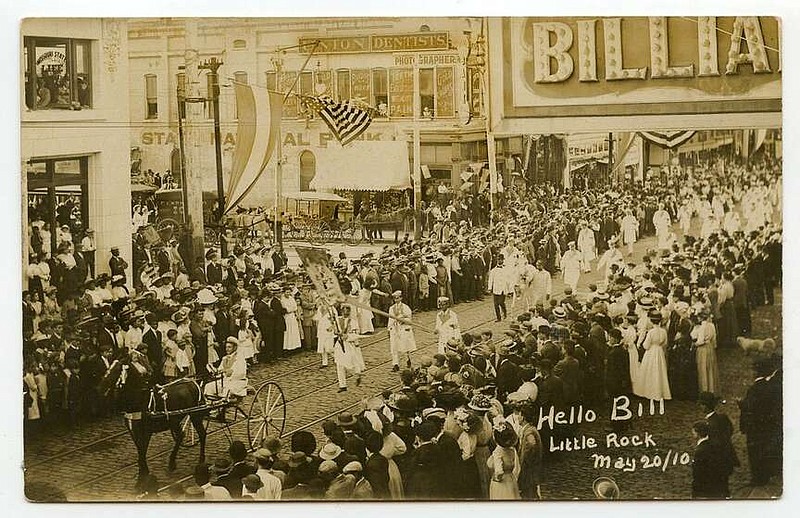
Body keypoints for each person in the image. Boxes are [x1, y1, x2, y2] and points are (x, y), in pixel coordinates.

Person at [634, 311, 671, 401]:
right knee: (659, 370)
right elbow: (665, 343)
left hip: (651, 351)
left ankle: (649, 391)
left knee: (650, 370)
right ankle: (660, 391)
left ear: (651, 321)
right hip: (659, 351)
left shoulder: (651, 332)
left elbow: (646, 345)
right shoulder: (663, 331)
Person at [691, 420, 732, 498]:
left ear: (697, 433)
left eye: (693, 431)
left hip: (706, 489)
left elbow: (697, 473)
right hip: (718, 486)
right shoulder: (715, 445)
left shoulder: (700, 450)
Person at [333, 305, 364, 393]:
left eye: (347, 311)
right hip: (340, 344)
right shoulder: (338, 321)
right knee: (339, 364)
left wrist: (349, 337)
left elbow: (355, 333)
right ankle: (342, 385)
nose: (345, 313)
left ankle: (357, 374)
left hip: (349, 345)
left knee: (350, 362)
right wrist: (337, 332)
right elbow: (335, 331)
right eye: (344, 311)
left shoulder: (353, 321)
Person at [487, 417, 520, 500]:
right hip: (511, 479)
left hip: (501, 483)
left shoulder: (497, 452)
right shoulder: (512, 450)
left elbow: (499, 471)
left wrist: (496, 478)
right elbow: (518, 468)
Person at [388, 290, 416, 372]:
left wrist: (403, 320)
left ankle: (407, 359)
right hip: (395, 330)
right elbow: (390, 319)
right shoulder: (391, 308)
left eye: (398, 298)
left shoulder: (406, 307)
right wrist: (389, 329)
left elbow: (409, 318)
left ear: (401, 298)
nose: (396, 300)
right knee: (394, 347)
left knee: (404, 346)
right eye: (395, 298)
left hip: (403, 329)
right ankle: (395, 364)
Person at [487, 256, 512, 322]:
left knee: (501, 302)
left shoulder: (506, 269)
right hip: (496, 289)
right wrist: (489, 288)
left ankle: (504, 312)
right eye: (498, 260)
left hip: (503, 289)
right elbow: (490, 280)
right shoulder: (493, 270)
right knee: (496, 304)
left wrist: (510, 289)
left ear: (503, 260)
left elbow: (509, 280)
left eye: (501, 260)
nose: (499, 261)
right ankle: (498, 318)